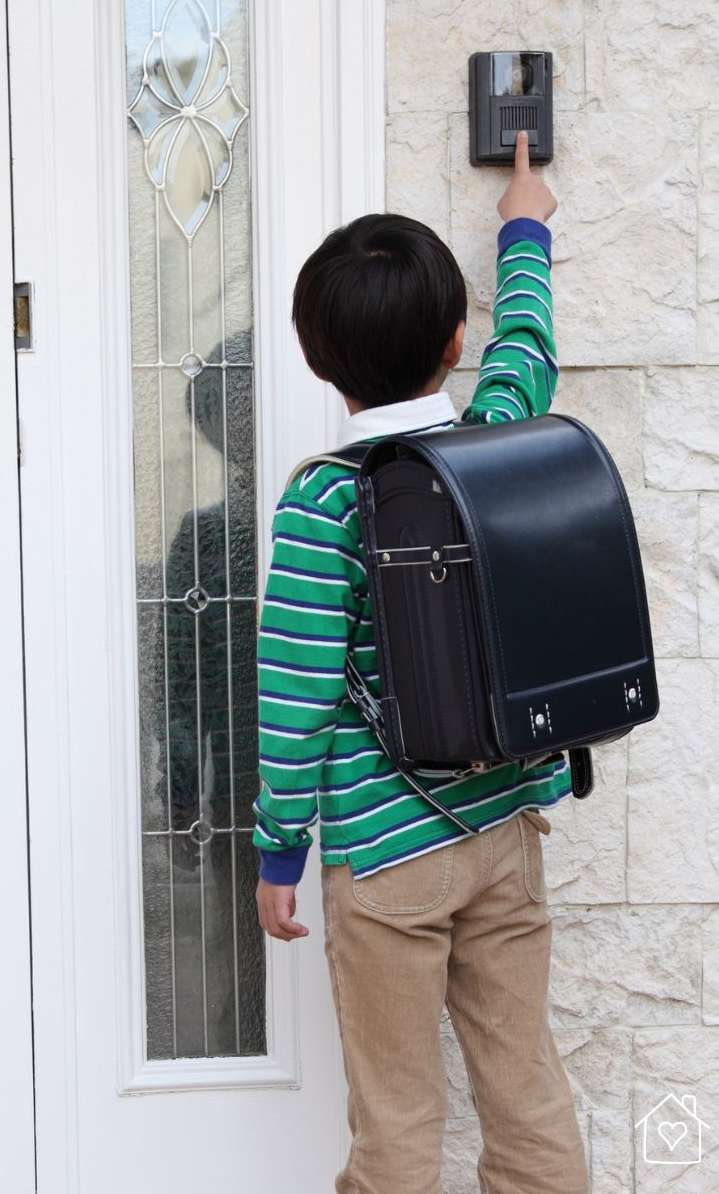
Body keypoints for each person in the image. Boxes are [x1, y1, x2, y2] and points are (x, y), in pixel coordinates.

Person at [252, 133, 589, 1193]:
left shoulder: (322, 501)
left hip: (386, 865)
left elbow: (296, 691)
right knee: (526, 1091)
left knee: (397, 1126)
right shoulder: (498, 439)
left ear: (316, 360)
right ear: (454, 341)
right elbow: (526, 345)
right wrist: (524, 223)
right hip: (503, 832)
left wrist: (277, 850)